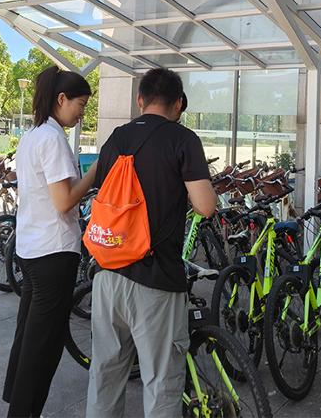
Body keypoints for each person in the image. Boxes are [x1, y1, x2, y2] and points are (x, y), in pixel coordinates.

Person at [86, 68, 217, 417]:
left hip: (108, 274)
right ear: (178, 104)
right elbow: (205, 207)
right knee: (161, 383)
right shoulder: (182, 139)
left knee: (104, 374)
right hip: (156, 280)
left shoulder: (116, 138)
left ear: (140, 100)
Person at [3, 65, 97, 418]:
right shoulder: (54, 139)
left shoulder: (32, 135)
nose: (82, 112)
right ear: (61, 99)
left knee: (28, 334)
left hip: (31, 248)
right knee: (44, 344)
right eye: (81, 104)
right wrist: (95, 171)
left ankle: (17, 402)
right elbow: (64, 201)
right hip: (53, 252)